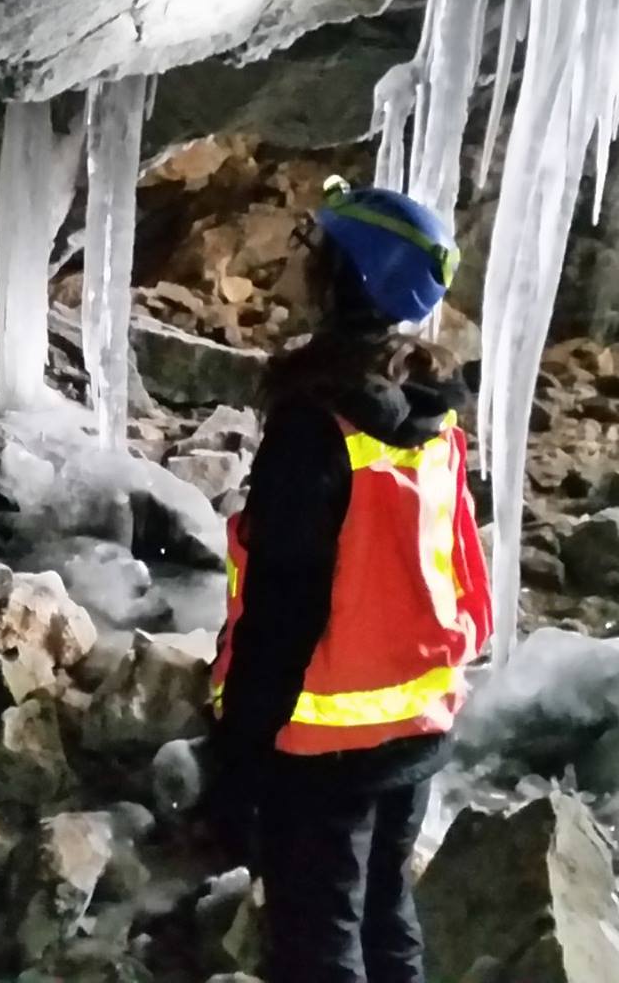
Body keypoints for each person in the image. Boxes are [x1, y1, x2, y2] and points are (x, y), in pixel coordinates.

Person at [206, 177, 494, 983]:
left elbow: (285, 602)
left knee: (318, 936)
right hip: (418, 714)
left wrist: (242, 749)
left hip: (325, 727)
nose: (298, 261)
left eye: (313, 247)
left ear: (348, 274)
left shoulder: (315, 422)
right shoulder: (433, 411)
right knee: (382, 914)